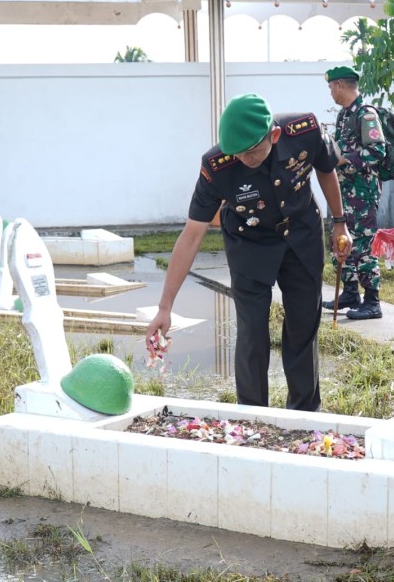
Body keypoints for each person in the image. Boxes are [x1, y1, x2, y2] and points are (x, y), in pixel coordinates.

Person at [145, 93, 352, 412]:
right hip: (248, 243)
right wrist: (164, 307)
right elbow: (191, 236)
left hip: (301, 234)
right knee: (252, 331)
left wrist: (339, 223)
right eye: (237, 153)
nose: (243, 159)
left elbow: (326, 169)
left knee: (303, 326)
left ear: (274, 135)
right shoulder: (216, 165)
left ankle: (304, 414)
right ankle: (252, 416)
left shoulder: (305, 130)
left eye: (251, 151)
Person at [322, 66, 386, 319]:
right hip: (344, 192)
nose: (331, 93)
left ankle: (372, 301)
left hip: (362, 194)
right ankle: (350, 292)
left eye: (331, 88)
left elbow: (377, 152)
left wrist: (344, 160)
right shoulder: (344, 115)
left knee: (363, 246)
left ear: (340, 85)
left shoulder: (365, 114)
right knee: (341, 240)